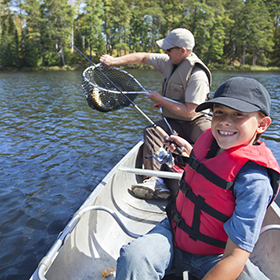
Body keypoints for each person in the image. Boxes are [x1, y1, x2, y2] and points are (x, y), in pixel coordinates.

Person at [114, 77, 280, 280]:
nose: (225, 121)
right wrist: (189, 152)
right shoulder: (209, 140)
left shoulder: (255, 182)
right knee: (134, 258)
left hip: (217, 254)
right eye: (219, 112)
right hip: (174, 233)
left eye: (238, 114)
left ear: (262, 125)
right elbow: (211, 171)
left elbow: (235, 256)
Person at [100, 28, 212, 200]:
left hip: (196, 120)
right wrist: (114, 61)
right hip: (173, 120)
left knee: (211, 138)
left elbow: (190, 112)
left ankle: (213, 180)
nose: (165, 52)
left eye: (169, 49)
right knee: (152, 132)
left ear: (182, 51)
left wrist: (160, 99)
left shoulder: (198, 75)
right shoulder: (169, 61)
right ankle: (154, 181)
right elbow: (143, 57)